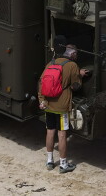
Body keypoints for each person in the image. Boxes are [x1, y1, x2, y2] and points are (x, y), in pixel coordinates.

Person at [38, 42, 89, 173]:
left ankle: (49, 161)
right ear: (72, 54)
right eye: (76, 53)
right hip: (61, 107)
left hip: (48, 104)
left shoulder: (51, 63)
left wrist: (42, 100)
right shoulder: (72, 65)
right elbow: (76, 86)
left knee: (50, 131)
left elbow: (41, 82)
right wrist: (80, 75)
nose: (77, 55)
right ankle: (63, 164)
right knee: (62, 134)